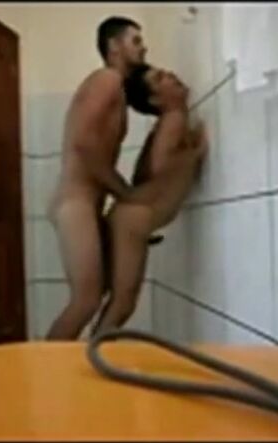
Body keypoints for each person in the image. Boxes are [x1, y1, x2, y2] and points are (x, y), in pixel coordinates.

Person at [46, 18, 185, 340]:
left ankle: (81, 362)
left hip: (85, 203)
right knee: (85, 300)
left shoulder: (116, 89)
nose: (144, 48)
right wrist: (126, 193)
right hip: (75, 202)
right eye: (135, 41)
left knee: (97, 295)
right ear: (114, 46)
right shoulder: (106, 79)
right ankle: (47, 366)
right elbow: (83, 144)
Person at [92, 64, 209, 334]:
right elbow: (159, 166)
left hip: (130, 217)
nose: (170, 74)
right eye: (160, 78)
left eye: (164, 72)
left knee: (119, 300)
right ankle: (91, 353)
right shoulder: (174, 119)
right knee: (123, 302)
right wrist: (195, 153)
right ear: (156, 99)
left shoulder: (167, 124)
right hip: (133, 221)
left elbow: (144, 173)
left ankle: (93, 350)